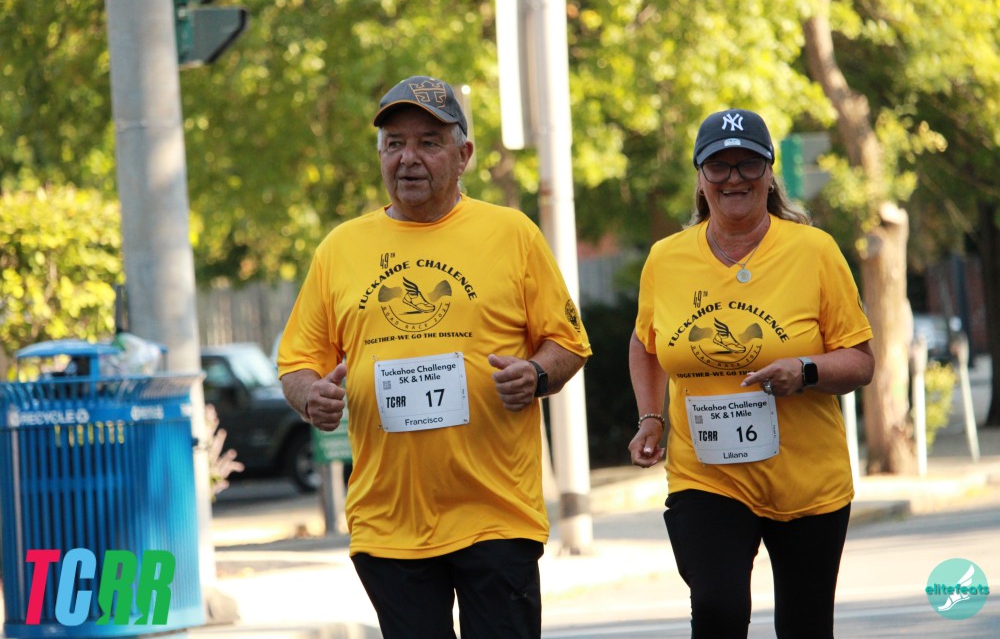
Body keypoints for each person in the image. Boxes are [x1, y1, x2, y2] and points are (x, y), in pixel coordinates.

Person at [277, 75, 591, 639]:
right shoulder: (341, 248)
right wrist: (310, 396)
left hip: (496, 513)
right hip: (388, 523)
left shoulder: (512, 234)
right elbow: (297, 361)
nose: (409, 158)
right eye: (394, 143)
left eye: (428, 142)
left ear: (463, 155)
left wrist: (537, 374)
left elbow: (568, 342)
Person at [628, 108, 875, 638]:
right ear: (700, 178)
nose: (733, 178)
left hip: (807, 480)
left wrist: (805, 370)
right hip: (707, 476)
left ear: (769, 174)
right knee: (716, 609)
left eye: (748, 164)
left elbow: (860, 361)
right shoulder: (666, 259)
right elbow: (646, 343)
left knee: (806, 627)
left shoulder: (814, 251)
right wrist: (650, 417)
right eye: (719, 166)